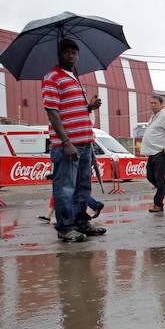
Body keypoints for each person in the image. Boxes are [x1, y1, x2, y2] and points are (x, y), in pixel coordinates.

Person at [42, 38, 106, 242]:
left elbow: (72, 109)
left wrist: (89, 107)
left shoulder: (74, 77)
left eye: (74, 52)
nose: (71, 55)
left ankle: (81, 222)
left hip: (85, 142)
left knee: (82, 187)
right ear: (59, 54)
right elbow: (52, 112)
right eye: (67, 52)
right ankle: (65, 227)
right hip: (68, 145)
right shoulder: (52, 77)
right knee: (65, 188)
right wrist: (66, 142)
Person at [141, 95, 165, 213]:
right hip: (152, 153)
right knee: (150, 177)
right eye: (151, 103)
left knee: (160, 180)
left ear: (162, 104)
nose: (152, 105)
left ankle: (158, 204)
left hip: (160, 152)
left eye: (155, 103)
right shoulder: (154, 117)